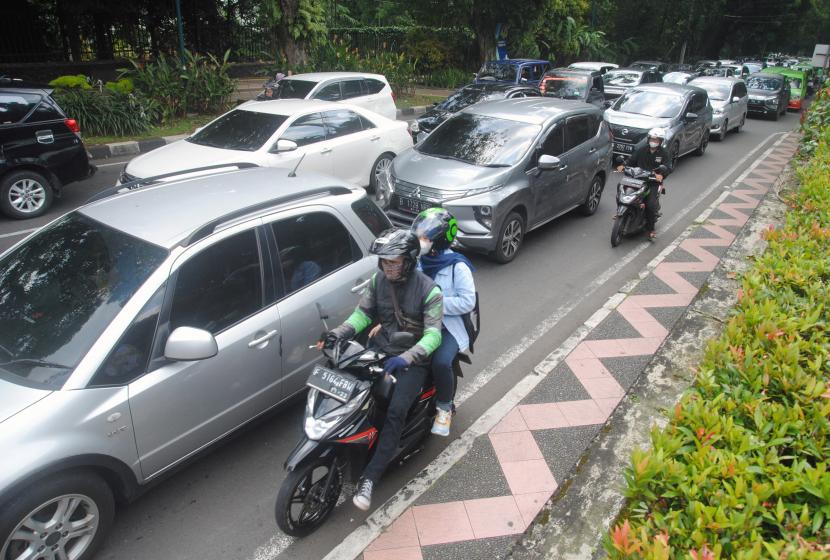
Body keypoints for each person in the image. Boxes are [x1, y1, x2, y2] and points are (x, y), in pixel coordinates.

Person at [319, 228, 443, 511]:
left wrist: (408, 358)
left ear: (409, 260)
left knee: (396, 410)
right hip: (382, 348)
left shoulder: (429, 291)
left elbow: (434, 335)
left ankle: (370, 478)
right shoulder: (377, 281)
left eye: (394, 261)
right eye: (384, 261)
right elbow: (363, 314)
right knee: (352, 387)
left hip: (412, 361)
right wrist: (339, 332)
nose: (388, 266)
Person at [411, 208, 476, 436]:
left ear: (438, 241)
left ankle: (445, 408)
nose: (421, 242)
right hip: (418, 321)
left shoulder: (458, 266)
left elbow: (467, 301)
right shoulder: (417, 261)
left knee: (440, 363)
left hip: (447, 327)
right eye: (419, 236)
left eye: (426, 238)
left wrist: (435, 303)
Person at [616, 128, 670, 240]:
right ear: (648, 139)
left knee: (650, 205)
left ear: (660, 141)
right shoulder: (642, 150)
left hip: (652, 182)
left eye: (656, 140)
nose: (653, 141)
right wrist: (623, 165)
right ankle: (620, 210)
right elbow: (631, 160)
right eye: (652, 139)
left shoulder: (664, 153)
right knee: (621, 188)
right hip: (637, 179)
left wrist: (661, 175)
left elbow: (668, 167)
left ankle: (651, 229)